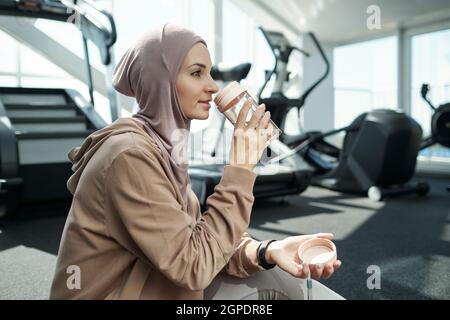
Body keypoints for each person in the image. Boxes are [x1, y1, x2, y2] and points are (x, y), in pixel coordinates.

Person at [49, 23, 342, 300]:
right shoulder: (129, 155)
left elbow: (196, 239)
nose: (213, 86)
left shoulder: (162, 148)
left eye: (210, 73)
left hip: (153, 284)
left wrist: (268, 251)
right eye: (196, 73)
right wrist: (240, 166)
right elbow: (193, 265)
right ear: (160, 81)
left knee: (282, 280)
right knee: (282, 292)